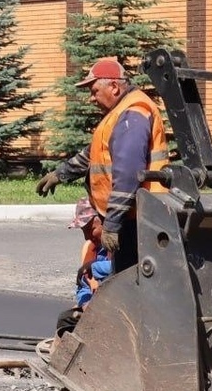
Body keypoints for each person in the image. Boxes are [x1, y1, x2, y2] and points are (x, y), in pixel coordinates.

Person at [35, 57, 169, 272]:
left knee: (131, 283)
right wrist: (61, 174)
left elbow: (128, 173)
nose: (91, 98)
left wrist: (113, 223)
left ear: (114, 87)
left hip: (138, 219)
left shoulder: (132, 114)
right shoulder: (119, 114)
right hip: (133, 215)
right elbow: (94, 154)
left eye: (94, 90)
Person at [55, 198, 112, 337]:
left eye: (90, 229)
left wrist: (95, 267)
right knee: (65, 320)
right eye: (83, 231)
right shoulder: (91, 249)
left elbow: (125, 269)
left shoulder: (123, 242)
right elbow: (83, 286)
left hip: (120, 308)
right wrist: (85, 303)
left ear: (103, 222)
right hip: (97, 309)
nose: (87, 236)